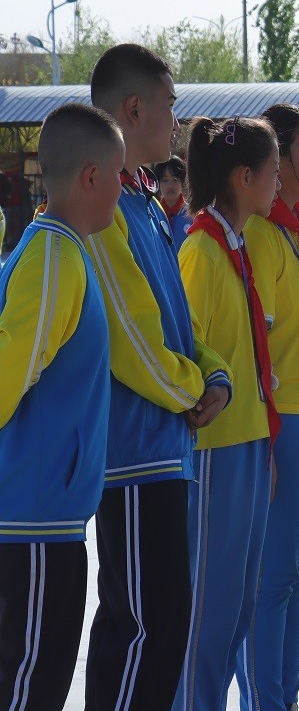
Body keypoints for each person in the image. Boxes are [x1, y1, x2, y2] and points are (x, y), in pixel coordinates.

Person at [85, 44, 232, 711]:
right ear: (134, 108)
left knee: (160, 626)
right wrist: (194, 389)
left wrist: (215, 373)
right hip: (133, 456)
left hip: (164, 448)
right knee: (146, 629)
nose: (176, 120)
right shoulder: (104, 207)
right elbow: (132, 341)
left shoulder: (142, 201)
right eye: (169, 106)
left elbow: (175, 320)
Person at [0, 105, 122, 711]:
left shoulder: (62, 251)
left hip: (45, 518)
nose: (124, 188)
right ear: (91, 177)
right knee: (29, 687)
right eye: (120, 175)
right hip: (33, 523)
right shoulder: (53, 256)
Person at [174, 116, 281, 711]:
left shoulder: (234, 245)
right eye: (273, 170)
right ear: (244, 177)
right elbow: (186, 344)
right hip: (216, 452)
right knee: (209, 614)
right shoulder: (201, 251)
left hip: (248, 444)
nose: (279, 181)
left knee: (238, 609)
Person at [236, 105, 299, 711]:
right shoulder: (261, 236)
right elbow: (257, 350)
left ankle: (286, 697)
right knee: (273, 580)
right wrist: (269, 439)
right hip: (287, 422)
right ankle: (265, 701)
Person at [156, 154, 192, 244]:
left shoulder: (192, 216)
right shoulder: (153, 214)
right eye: (165, 180)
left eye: (175, 179)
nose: (170, 186)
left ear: (183, 182)